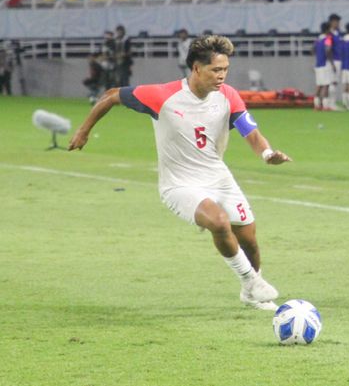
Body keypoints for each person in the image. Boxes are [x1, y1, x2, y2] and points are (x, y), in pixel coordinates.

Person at [68, 35, 290, 310]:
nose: (222, 76)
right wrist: (84, 130)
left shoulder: (228, 96)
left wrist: (268, 154)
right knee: (219, 222)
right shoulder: (163, 95)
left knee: (250, 241)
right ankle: (252, 282)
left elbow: (251, 133)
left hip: (219, 178)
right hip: (179, 184)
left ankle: (250, 291)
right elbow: (112, 95)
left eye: (225, 70)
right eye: (216, 70)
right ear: (197, 68)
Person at [313, 22, 334, 110]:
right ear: (327, 29)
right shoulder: (327, 39)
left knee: (319, 85)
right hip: (325, 64)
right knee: (326, 85)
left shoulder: (317, 39)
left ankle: (317, 105)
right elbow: (328, 50)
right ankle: (325, 106)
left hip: (318, 64)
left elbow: (313, 49)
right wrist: (332, 63)